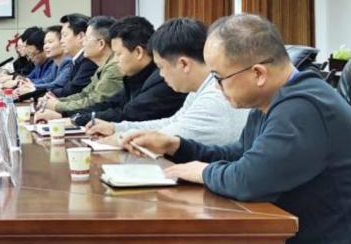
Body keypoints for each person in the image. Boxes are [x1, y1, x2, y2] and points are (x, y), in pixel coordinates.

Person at [128, 14, 351, 244]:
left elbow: (248, 179)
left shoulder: (304, 108)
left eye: (219, 77)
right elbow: (239, 154)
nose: (216, 87)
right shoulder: (271, 102)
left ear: (257, 73)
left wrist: (201, 172)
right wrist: (178, 146)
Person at [85, 17, 248, 147]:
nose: (161, 75)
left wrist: (121, 137)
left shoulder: (214, 97)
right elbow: (172, 122)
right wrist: (116, 128)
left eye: (161, 67)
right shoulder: (199, 89)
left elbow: (164, 138)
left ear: (183, 64)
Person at [69, 16, 185, 127]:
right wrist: (73, 116)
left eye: (118, 54)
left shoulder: (162, 79)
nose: (115, 60)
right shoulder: (135, 77)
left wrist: (79, 120)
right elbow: (110, 103)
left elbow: (127, 114)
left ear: (138, 52)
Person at [34, 16, 121, 120]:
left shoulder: (113, 68)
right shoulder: (102, 67)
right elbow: (84, 94)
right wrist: (57, 102)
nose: (83, 42)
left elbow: (94, 101)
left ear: (101, 44)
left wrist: (57, 105)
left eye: (86, 38)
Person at [45, 13, 97, 97]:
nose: (61, 41)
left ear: (81, 36)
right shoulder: (76, 60)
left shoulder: (89, 61)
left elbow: (72, 90)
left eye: (64, 35)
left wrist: (48, 95)